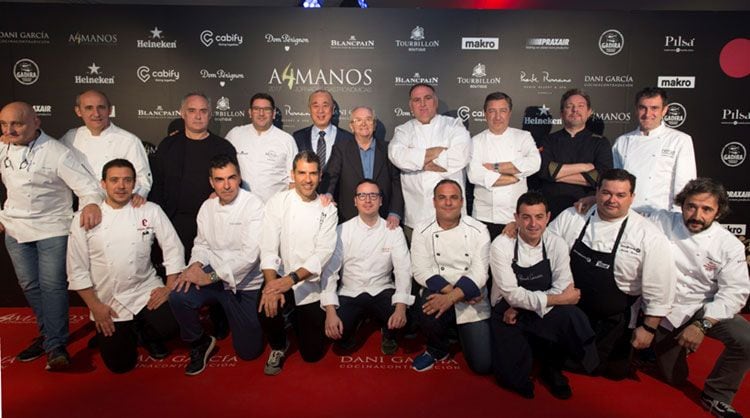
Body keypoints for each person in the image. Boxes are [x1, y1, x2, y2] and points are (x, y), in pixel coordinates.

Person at [0, 102, 103, 370]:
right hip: (14, 228)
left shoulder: (57, 152)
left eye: (17, 124)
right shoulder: (2, 146)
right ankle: (49, 337)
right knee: (29, 286)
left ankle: (56, 346)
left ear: (36, 122)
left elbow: (89, 189)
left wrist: (91, 204)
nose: (10, 130)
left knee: (52, 287)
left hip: (52, 229)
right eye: (4, 124)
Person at [547, 168, 675, 379]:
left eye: (620, 195)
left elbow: (660, 288)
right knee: (553, 359)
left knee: (613, 372)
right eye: (606, 193)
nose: (612, 200)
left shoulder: (648, 235)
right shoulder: (573, 216)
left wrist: (648, 329)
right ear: (596, 192)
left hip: (613, 321)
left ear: (632, 197)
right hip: (570, 312)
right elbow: (546, 248)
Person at [67, 159, 184, 373]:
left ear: (134, 183)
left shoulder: (149, 210)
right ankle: (125, 331)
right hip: (107, 299)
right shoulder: (85, 218)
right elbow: (76, 270)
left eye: (127, 180)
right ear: (103, 184)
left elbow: (173, 248)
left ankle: (143, 331)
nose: (121, 186)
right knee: (120, 365)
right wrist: (96, 308)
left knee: (175, 322)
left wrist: (168, 288)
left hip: (144, 289)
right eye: (114, 180)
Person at [647, 178, 749, 418]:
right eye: (691, 206)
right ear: (681, 205)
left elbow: (735, 292)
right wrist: (591, 199)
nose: (696, 215)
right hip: (665, 308)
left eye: (706, 209)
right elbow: (623, 211)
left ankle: (716, 395)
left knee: (747, 340)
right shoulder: (661, 221)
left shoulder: (728, 245)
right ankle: (658, 348)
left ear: (718, 211)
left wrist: (701, 325)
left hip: (705, 307)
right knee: (674, 378)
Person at [490, 191, 597, 399]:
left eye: (539, 217)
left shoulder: (556, 243)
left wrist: (525, 305)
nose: (533, 224)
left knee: (572, 316)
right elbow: (512, 294)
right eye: (526, 217)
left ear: (548, 217)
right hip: (506, 310)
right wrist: (557, 300)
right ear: (516, 218)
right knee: (510, 379)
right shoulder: (501, 246)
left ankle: (552, 367)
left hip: (531, 308)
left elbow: (563, 285)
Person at [168, 154, 266, 376]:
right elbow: (201, 244)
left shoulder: (254, 205)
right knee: (178, 294)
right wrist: (195, 265)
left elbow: (250, 256)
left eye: (231, 178)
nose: (227, 185)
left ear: (240, 178)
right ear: (211, 182)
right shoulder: (207, 207)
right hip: (212, 276)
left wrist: (209, 277)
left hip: (245, 283)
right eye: (220, 180)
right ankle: (199, 341)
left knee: (250, 352)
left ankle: (232, 317)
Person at [149, 92, 236, 340]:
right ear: (182, 113)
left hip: (215, 221)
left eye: (203, 111)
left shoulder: (223, 147)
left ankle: (219, 317)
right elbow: (159, 185)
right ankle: (183, 320)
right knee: (180, 273)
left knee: (214, 270)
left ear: (210, 114)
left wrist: (217, 195)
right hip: (177, 221)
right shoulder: (168, 146)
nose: (198, 116)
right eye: (192, 111)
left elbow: (232, 181)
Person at [258, 150, 338, 375]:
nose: (308, 179)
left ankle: (293, 317)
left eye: (313, 173)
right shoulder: (278, 201)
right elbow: (268, 245)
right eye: (302, 173)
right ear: (293, 174)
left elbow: (322, 254)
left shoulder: (328, 210)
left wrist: (291, 280)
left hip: (308, 285)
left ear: (320, 175)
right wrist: (272, 286)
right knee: (266, 305)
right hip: (280, 277)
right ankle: (278, 344)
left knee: (312, 355)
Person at [321, 180, 413, 354]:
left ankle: (387, 331)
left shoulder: (394, 231)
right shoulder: (342, 230)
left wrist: (401, 308)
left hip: (382, 289)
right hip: (350, 291)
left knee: (406, 323)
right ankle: (357, 322)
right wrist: (330, 312)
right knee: (337, 333)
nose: (368, 200)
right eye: (362, 195)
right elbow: (330, 273)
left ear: (381, 201)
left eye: (373, 195)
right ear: (355, 201)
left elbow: (403, 271)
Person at [410, 179, 492, 374]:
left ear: (462, 201)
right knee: (426, 304)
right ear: (434, 202)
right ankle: (436, 349)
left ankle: (459, 334)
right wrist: (452, 294)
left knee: (483, 365)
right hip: (446, 291)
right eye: (442, 198)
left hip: (473, 297)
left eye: (453, 198)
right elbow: (421, 270)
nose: (448, 203)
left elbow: (480, 272)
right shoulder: (421, 229)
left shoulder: (479, 229)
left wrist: (453, 297)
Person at [388, 83, 471, 238]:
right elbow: (397, 156)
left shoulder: (453, 125)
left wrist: (418, 161)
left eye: (427, 98)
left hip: (451, 218)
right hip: (415, 219)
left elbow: (461, 156)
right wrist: (438, 152)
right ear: (410, 105)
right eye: (417, 100)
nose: (423, 104)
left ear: (436, 101)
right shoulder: (403, 130)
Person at [468, 92, 540, 241]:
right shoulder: (475, 141)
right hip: (483, 217)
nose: (497, 117)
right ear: (484, 113)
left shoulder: (523, 137)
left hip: (515, 218)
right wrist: (513, 177)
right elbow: (474, 174)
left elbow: (534, 163)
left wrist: (494, 167)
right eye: (492, 111)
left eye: (503, 110)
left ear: (510, 113)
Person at [61, 89, 152, 207]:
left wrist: (137, 195)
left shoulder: (129, 141)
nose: (96, 114)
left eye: (101, 107)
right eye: (89, 108)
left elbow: (143, 178)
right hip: (87, 210)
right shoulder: (71, 138)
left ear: (109, 110)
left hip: (122, 209)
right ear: (78, 111)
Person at [612, 87, 696, 214]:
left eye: (654, 108)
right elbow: (614, 183)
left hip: (662, 216)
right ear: (636, 109)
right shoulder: (622, 141)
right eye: (643, 108)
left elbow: (684, 185)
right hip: (628, 215)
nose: (647, 114)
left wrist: (677, 217)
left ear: (664, 110)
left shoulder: (680, 140)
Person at [535, 88, 613, 218]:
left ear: (589, 112)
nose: (575, 110)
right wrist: (584, 167)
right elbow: (544, 170)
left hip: (587, 210)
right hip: (551, 210)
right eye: (569, 106)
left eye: (580, 106)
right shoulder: (548, 140)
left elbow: (600, 178)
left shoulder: (600, 142)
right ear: (561, 113)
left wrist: (555, 176)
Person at [324, 106, 403, 227]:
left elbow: (397, 183)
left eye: (368, 119)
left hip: (384, 219)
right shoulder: (340, 149)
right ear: (351, 126)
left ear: (374, 124)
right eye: (358, 120)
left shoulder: (389, 149)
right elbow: (331, 177)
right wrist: (328, 194)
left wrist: (395, 212)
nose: (364, 124)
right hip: (349, 217)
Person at [225, 93, 298, 202]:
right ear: (250, 112)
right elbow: (221, 169)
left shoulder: (287, 140)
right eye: (256, 109)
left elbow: (293, 181)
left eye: (266, 109)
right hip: (240, 206)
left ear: (273, 114)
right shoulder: (235, 135)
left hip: (274, 209)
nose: (261, 113)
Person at [293, 89, 354, 193]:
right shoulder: (298, 137)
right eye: (315, 106)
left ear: (333, 109)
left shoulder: (348, 139)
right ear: (309, 109)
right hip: (305, 203)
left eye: (325, 105)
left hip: (338, 204)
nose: (320, 110)